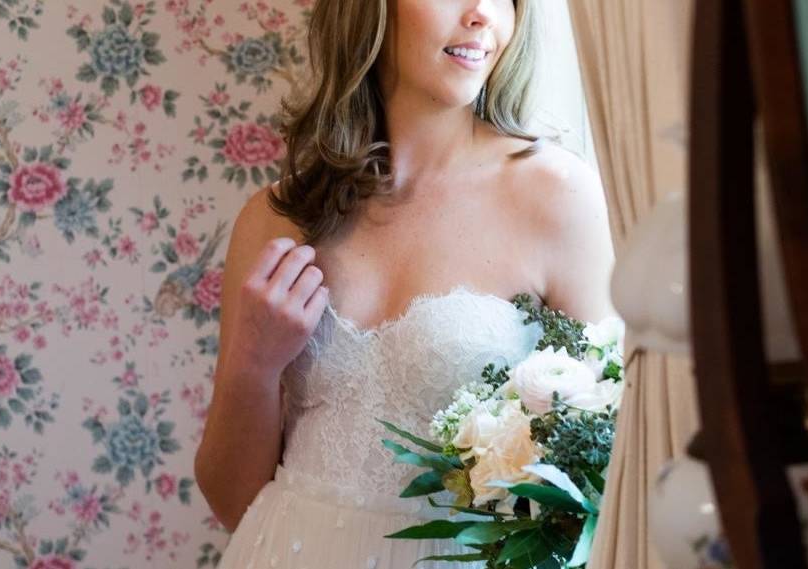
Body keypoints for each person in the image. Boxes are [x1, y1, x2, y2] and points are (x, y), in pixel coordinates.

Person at [195, 0, 617, 567]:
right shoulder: (277, 218)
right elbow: (231, 503)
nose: (481, 15)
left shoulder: (557, 196)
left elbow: (602, 480)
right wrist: (254, 363)